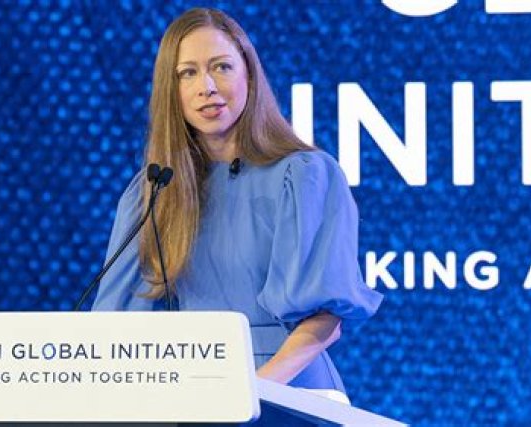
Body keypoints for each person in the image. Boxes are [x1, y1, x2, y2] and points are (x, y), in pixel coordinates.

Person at [92, 7, 383, 421]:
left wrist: (252, 393)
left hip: (294, 398)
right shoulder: (155, 191)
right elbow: (118, 329)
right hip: (196, 401)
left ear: (249, 74)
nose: (206, 87)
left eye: (221, 67)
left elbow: (326, 320)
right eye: (187, 73)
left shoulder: (304, 175)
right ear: (171, 90)